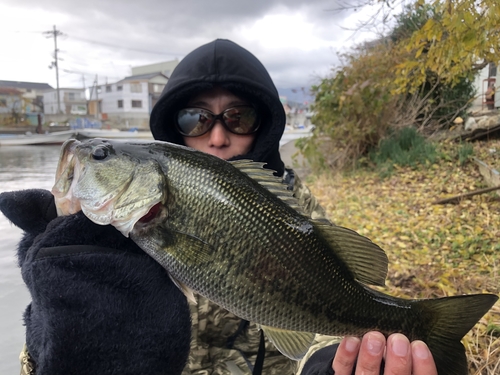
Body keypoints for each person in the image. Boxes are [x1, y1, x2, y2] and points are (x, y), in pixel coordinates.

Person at [0, 39, 438, 375]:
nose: (216, 137)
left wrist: (329, 360)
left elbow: (322, 316)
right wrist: (52, 344)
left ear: (262, 124)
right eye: (195, 118)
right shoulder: (104, 235)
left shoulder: (297, 212)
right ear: (174, 127)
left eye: (239, 117)